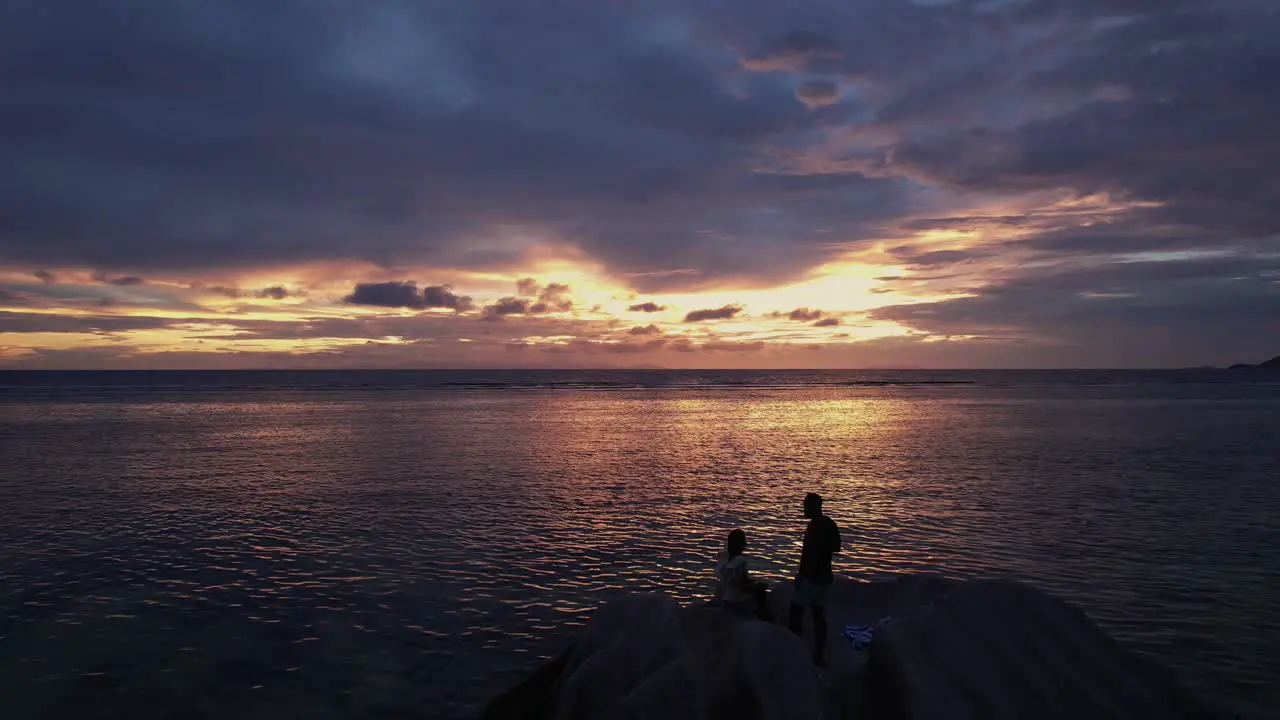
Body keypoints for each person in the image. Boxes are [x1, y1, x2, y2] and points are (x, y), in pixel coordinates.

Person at [789, 492, 841, 665]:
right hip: (825, 578)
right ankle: (819, 653)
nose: (803, 509)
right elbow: (837, 547)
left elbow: (807, 557)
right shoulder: (829, 523)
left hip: (811, 579)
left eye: (806, 506)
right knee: (818, 614)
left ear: (815, 507)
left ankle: (796, 652)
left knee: (796, 613)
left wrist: (800, 576)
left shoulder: (814, 527)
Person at [715, 529, 773, 620]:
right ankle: (764, 618)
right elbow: (742, 585)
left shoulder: (723, 558)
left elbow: (730, 579)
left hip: (723, 599)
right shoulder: (740, 561)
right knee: (761, 591)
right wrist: (757, 586)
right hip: (735, 603)